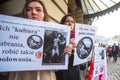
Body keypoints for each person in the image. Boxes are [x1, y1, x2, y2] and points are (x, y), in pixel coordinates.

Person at [8, 1, 73, 80]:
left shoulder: (50, 36)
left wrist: (65, 53)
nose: (33, 12)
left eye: (38, 10)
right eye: (29, 9)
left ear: (44, 14)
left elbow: (56, 68)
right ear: (25, 13)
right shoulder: (13, 33)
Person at [55, 15, 81, 80]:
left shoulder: (78, 38)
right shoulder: (57, 36)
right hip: (61, 73)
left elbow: (82, 64)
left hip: (74, 73)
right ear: (62, 23)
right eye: (67, 21)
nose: (70, 23)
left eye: (72, 22)